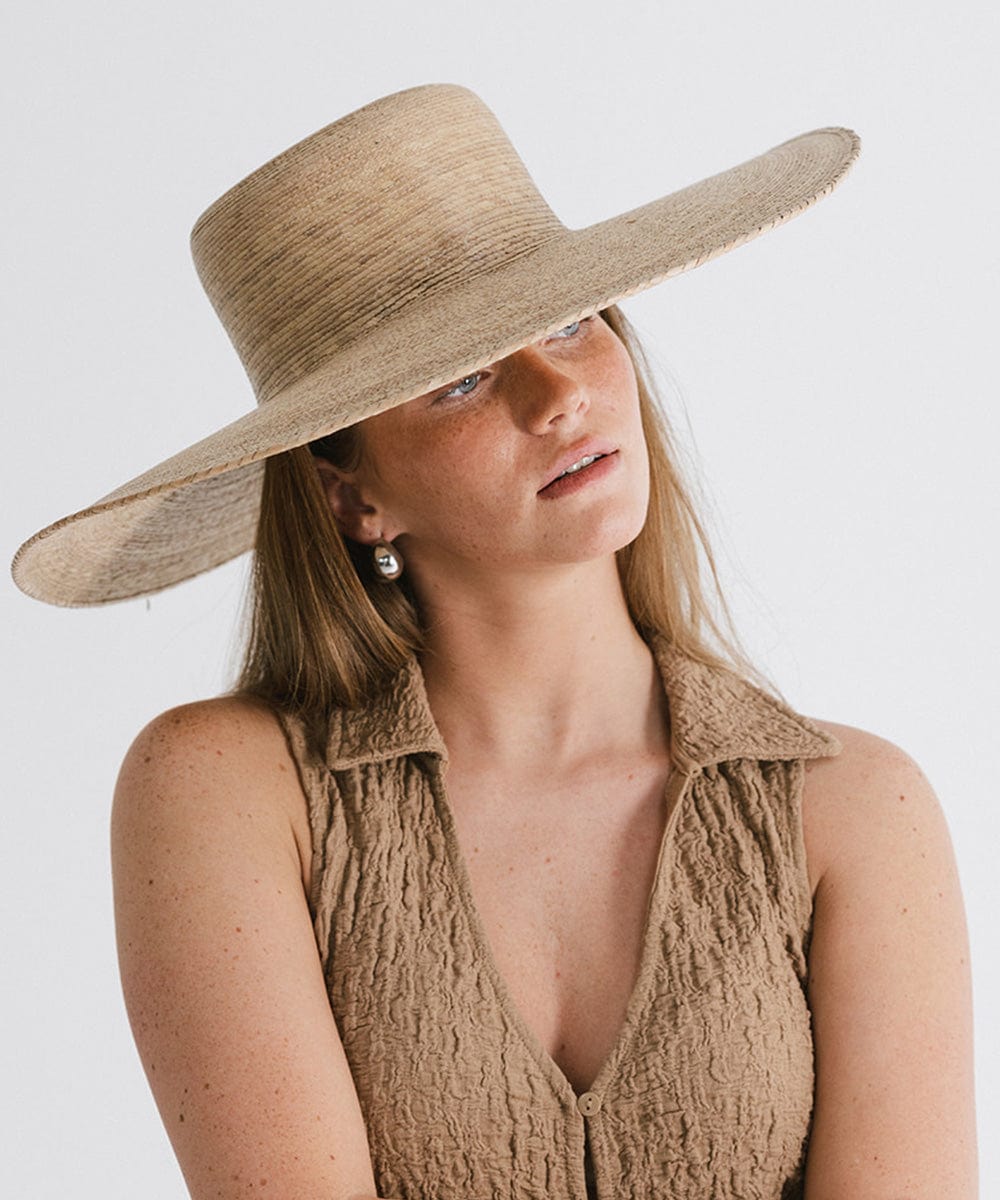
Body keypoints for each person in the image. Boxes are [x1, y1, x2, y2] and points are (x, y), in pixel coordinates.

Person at [11, 84, 976, 1200]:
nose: (558, 392)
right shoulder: (227, 790)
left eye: (570, 323)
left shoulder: (855, 805)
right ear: (350, 497)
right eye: (459, 378)